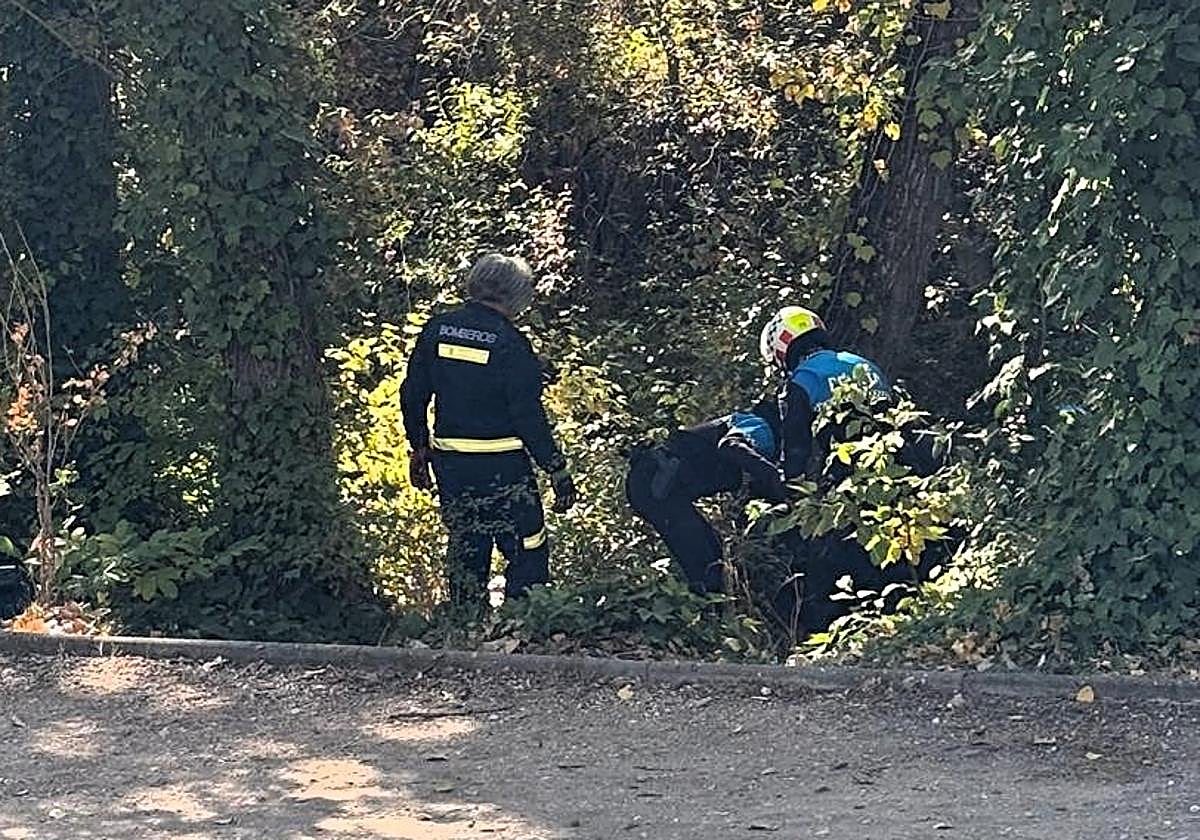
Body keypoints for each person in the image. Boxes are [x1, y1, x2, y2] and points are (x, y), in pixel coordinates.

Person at [400, 254, 577, 610]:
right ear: (516, 296)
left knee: (468, 541)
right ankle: (524, 618)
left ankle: (466, 620)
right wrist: (556, 468)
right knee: (527, 543)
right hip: (503, 464)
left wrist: (418, 447)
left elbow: (413, 393)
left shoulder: (438, 329)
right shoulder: (511, 343)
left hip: (452, 464)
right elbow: (528, 416)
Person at [626, 399, 787, 594]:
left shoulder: (738, 424)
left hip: (653, 485)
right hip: (656, 484)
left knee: (711, 553)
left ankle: (713, 609)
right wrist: (776, 480)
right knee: (707, 563)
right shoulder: (759, 426)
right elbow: (730, 446)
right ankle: (711, 613)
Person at [758, 306, 890, 480]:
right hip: (894, 457)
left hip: (851, 474)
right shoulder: (863, 364)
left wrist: (788, 485)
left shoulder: (802, 380)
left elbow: (795, 449)